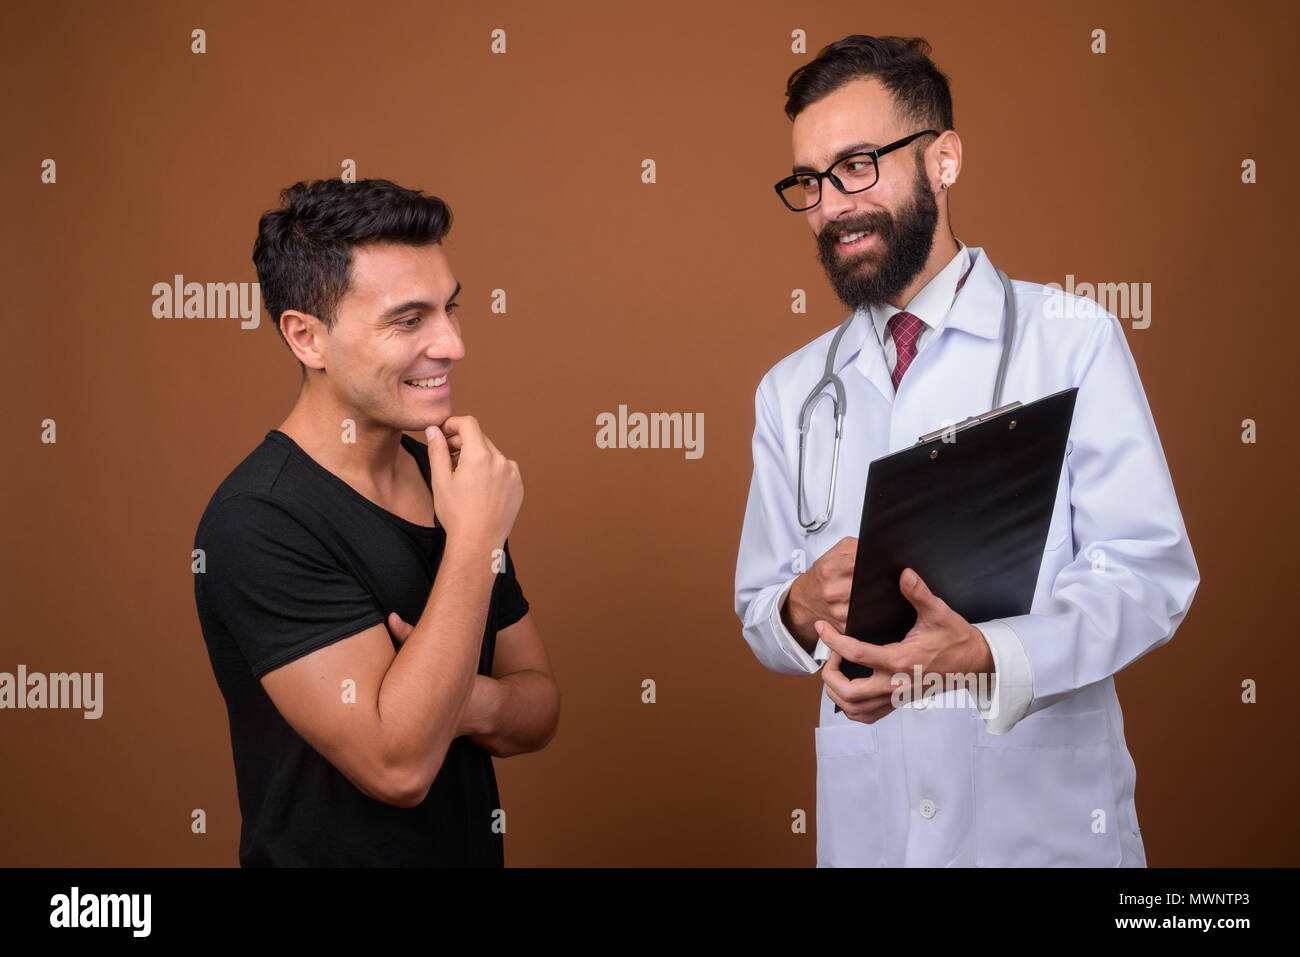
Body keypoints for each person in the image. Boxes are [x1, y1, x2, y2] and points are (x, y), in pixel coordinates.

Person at [734, 36, 1198, 867]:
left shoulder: (1072, 339)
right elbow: (762, 610)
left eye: (858, 165)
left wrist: (987, 653)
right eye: (809, 181)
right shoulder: (791, 390)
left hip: (1041, 829)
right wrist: (800, 605)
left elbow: (1149, 572)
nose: (830, 205)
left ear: (943, 159)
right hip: (871, 829)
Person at [194, 178, 559, 866]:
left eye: (449, 309)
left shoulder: (448, 476)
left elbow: (538, 707)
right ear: (307, 337)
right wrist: (475, 538)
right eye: (409, 319)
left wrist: (460, 698)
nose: (452, 343)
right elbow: (399, 766)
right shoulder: (258, 521)